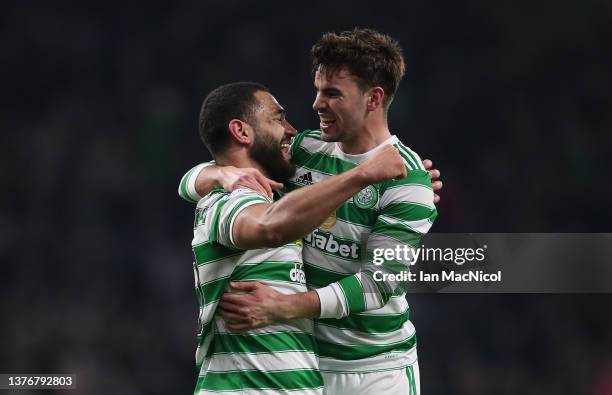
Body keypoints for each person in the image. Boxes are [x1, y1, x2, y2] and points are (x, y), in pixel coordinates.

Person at [180, 28, 441, 394]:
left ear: (373, 98)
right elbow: (218, 164)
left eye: (332, 93)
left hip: (374, 368)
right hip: (307, 362)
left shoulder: (408, 180)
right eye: (318, 90)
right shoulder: (305, 150)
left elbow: (379, 282)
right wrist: (216, 173)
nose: (317, 104)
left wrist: (284, 308)